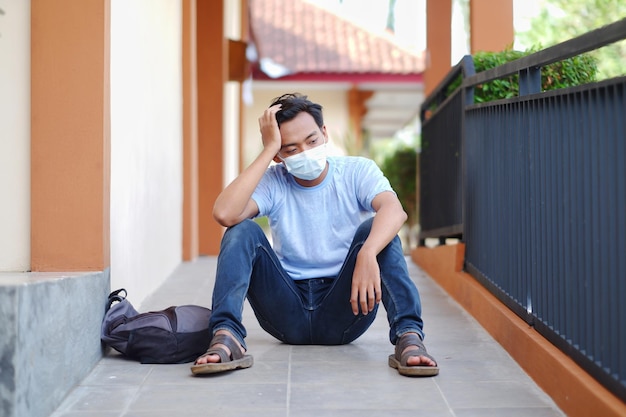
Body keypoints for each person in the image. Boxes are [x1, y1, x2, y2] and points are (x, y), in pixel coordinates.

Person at [191, 93, 438, 377]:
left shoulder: (356, 171)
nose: (305, 153)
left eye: (311, 141)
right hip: (286, 311)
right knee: (242, 229)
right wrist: (267, 150)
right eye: (290, 148)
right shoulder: (275, 181)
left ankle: (409, 337)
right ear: (279, 155)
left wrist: (367, 253)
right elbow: (225, 213)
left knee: (378, 229)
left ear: (324, 133)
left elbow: (395, 211)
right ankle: (227, 337)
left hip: (345, 309)